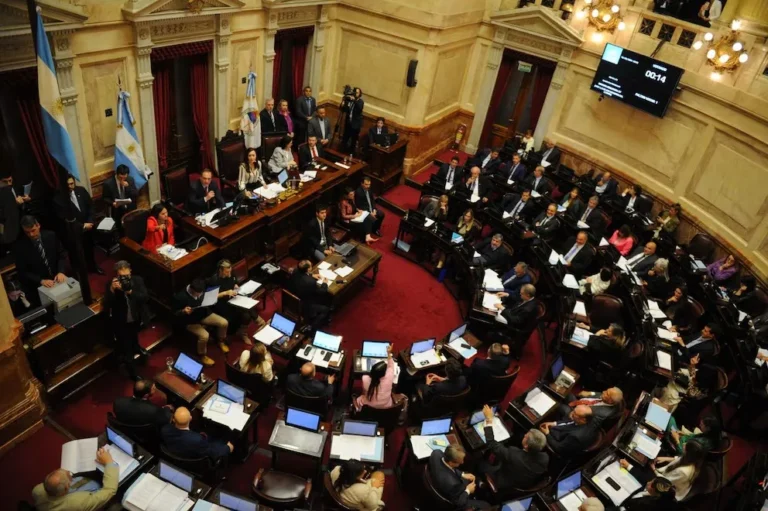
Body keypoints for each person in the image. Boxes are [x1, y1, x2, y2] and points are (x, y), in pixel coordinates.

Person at [477, 405, 548, 490]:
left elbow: (492, 444)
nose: (525, 435)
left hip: (504, 483)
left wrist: (488, 420)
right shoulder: (545, 457)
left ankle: (480, 484)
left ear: (526, 445)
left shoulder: (514, 454)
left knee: (480, 464)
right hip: (523, 483)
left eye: (526, 436)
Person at [105, 260, 150, 380]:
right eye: (121, 277)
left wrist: (130, 291)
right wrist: (112, 291)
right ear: (116, 275)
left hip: (136, 319)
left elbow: (145, 297)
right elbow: (107, 305)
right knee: (127, 349)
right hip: (121, 323)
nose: (124, 279)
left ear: (130, 271)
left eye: (126, 276)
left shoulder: (138, 280)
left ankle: (137, 348)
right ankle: (133, 374)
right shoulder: (111, 285)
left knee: (134, 337)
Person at [32, 446, 117, 511]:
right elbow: (109, 491)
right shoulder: (77, 503)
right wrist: (109, 462)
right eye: (69, 475)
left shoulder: (37, 490)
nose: (69, 473)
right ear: (66, 487)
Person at [172, 278, 229, 367]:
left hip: (203, 314)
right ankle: (202, 355)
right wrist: (183, 311)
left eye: (201, 293)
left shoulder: (201, 287)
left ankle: (221, 341)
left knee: (223, 322)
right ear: (191, 289)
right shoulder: (180, 297)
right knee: (204, 335)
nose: (199, 295)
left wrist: (211, 301)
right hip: (189, 321)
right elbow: (174, 313)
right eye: (197, 293)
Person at [13, 215, 68, 306]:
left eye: (33, 230)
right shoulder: (20, 247)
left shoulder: (51, 235)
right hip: (38, 284)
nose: (31, 234)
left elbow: (61, 254)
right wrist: (41, 281)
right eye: (27, 232)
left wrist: (61, 271)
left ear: (38, 225)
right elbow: (22, 271)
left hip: (57, 277)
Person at [209, 259, 266, 345]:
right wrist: (226, 293)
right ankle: (260, 322)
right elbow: (211, 297)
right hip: (222, 304)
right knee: (245, 312)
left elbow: (234, 283)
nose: (229, 274)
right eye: (226, 272)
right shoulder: (214, 280)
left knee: (246, 315)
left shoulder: (231, 274)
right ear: (220, 270)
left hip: (233, 299)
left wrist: (236, 287)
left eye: (230, 272)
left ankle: (243, 333)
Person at [53, 174, 103, 274]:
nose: (70, 187)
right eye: (67, 185)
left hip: (88, 228)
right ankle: (78, 274)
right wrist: (82, 226)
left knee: (89, 249)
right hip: (72, 232)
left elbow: (91, 206)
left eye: (72, 184)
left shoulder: (81, 190)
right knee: (75, 254)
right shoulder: (58, 199)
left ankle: (92, 267)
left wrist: (90, 221)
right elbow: (63, 218)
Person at [162, 407, 233, 461]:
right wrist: (228, 448)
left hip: (175, 457)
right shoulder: (197, 440)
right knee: (221, 442)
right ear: (190, 418)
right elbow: (213, 453)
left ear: (173, 419)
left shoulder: (165, 430)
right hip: (193, 462)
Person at [355, 344, 403, 411]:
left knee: (358, 399)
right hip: (386, 406)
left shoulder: (365, 378)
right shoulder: (389, 376)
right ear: (384, 373)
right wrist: (388, 352)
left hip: (369, 406)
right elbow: (391, 365)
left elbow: (364, 392)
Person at [288, 259, 332, 329]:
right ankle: (312, 327)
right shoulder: (310, 282)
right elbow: (322, 291)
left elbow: (301, 275)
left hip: (293, 298)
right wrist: (324, 283)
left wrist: (311, 275)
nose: (312, 267)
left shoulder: (295, 271)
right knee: (326, 309)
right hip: (305, 305)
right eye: (311, 266)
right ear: (308, 269)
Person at [559, 387, 623, 425]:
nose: (603, 392)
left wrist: (573, 414)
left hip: (576, 414)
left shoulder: (602, 413)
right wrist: (590, 393)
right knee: (565, 391)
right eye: (606, 390)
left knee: (559, 406)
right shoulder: (606, 399)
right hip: (579, 403)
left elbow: (582, 419)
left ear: (610, 401)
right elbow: (598, 393)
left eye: (607, 393)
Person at [0, 173, 31, 246]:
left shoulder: (15, 186)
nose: (9, 184)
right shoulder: (3, 191)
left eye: (10, 180)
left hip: (20, 228)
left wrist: (23, 201)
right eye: (5, 182)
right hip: (7, 232)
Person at [342, 87, 365, 153]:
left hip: (355, 125)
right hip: (348, 123)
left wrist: (354, 100)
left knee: (353, 141)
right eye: (355, 92)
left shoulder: (360, 101)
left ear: (360, 94)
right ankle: (343, 152)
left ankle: (351, 153)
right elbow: (344, 110)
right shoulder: (350, 100)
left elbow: (359, 108)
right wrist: (343, 102)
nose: (355, 94)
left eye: (357, 93)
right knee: (345, 138)